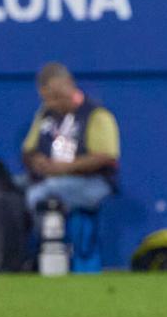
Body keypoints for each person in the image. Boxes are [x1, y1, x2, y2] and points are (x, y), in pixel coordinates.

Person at [21, 62, 119, 225]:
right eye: (47, 99)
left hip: (91, 182)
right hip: (48, 177)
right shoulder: (45, 114)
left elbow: (106, 157)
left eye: (56, 97)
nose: (51, 103)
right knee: (4, 188)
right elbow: (28, 150)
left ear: (69, 84)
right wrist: (35, 160)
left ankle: (42, 247)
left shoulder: (97, 115)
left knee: (40, 194)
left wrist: (63, 168)